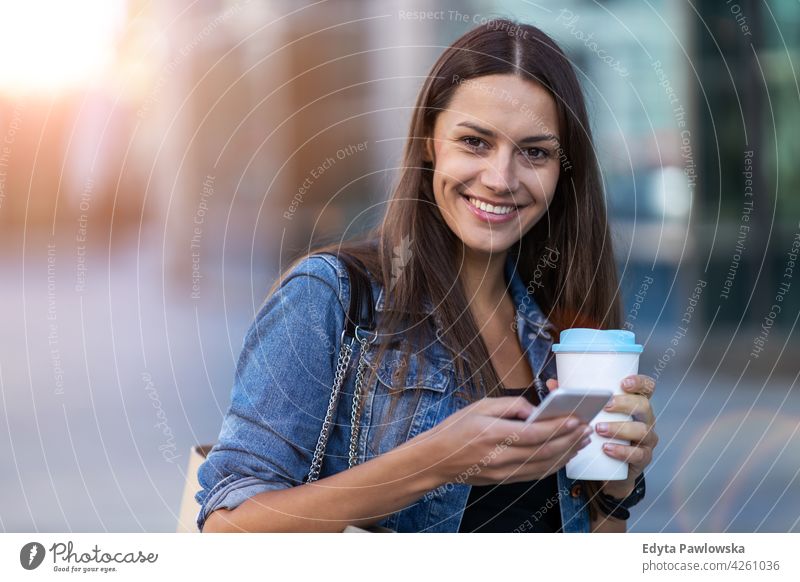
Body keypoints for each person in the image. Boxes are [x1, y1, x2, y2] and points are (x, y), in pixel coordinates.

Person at [196, 18, 659, 533]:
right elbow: (226, 532)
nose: (501, 179)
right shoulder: (330, 297)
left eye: (535, 152)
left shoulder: (557, 328)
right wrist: (433, 462)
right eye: (475, 142)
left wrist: (615, 491)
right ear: (428, 143)